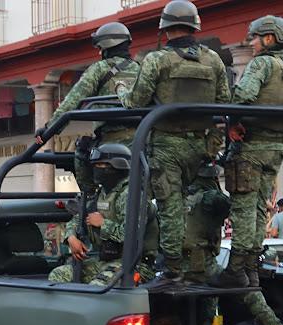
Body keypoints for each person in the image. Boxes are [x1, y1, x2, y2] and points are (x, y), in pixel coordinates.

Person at [115, 0, 231, 283]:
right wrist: (211, 143)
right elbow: (225, 102)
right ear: (194, 25)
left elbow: (135, 102)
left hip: (167, 146)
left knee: (170, 207)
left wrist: (120, 88)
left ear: (165, 29)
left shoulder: (157, 60)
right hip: (199, 146)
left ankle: (173, 269)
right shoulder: (213, 59)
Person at [216, 15, 283, 288]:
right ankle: (251, 269)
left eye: (255, 38)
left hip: (252, 148)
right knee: (259, 210)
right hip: (275, 149)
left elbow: (243, 96)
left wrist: (232, 123)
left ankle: (235, 270)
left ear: (269, 39)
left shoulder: (263, 63)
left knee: (244, 209)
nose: (252, 43)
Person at [35, 22, 139, 193]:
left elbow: (73, 101)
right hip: (142, 140)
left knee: (82, 150)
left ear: (106, 46)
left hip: (110, 140)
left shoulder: (100, 68)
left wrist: (49, 129)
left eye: (100, 47)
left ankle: (89, 200)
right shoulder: (140, 68)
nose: (99, 52)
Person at [48, 144, 158, 285]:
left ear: (116, 167)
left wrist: (103, 223)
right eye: (95, 165)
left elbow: (132, 234)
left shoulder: (131, 195)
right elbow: (78, 219)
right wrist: (71, 237)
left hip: (135, 265)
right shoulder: (102, 194)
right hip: (105, 261)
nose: (96, 169)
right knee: (58, 276)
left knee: (98, 288)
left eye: (100, 165)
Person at [181, 164, 230, 325]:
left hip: (178, 264)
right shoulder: (208, 198)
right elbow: (225, 204)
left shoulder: (183, 198)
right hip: (202, 264)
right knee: (215, 294)